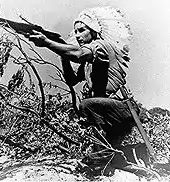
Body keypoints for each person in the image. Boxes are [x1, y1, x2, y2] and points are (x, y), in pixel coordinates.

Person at [27, 10, 139, 148]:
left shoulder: (100, 46)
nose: (78, 35)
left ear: (93, 31)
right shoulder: (88, 63)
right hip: (106, 109)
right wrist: (64, 57)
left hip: (122, 107)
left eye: (82, 30)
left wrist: (47, 42)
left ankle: (103, 155)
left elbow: (78, 54)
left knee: (87, 105)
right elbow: (71, 80)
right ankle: (107, 155)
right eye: (76, 32)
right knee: (91, 110)